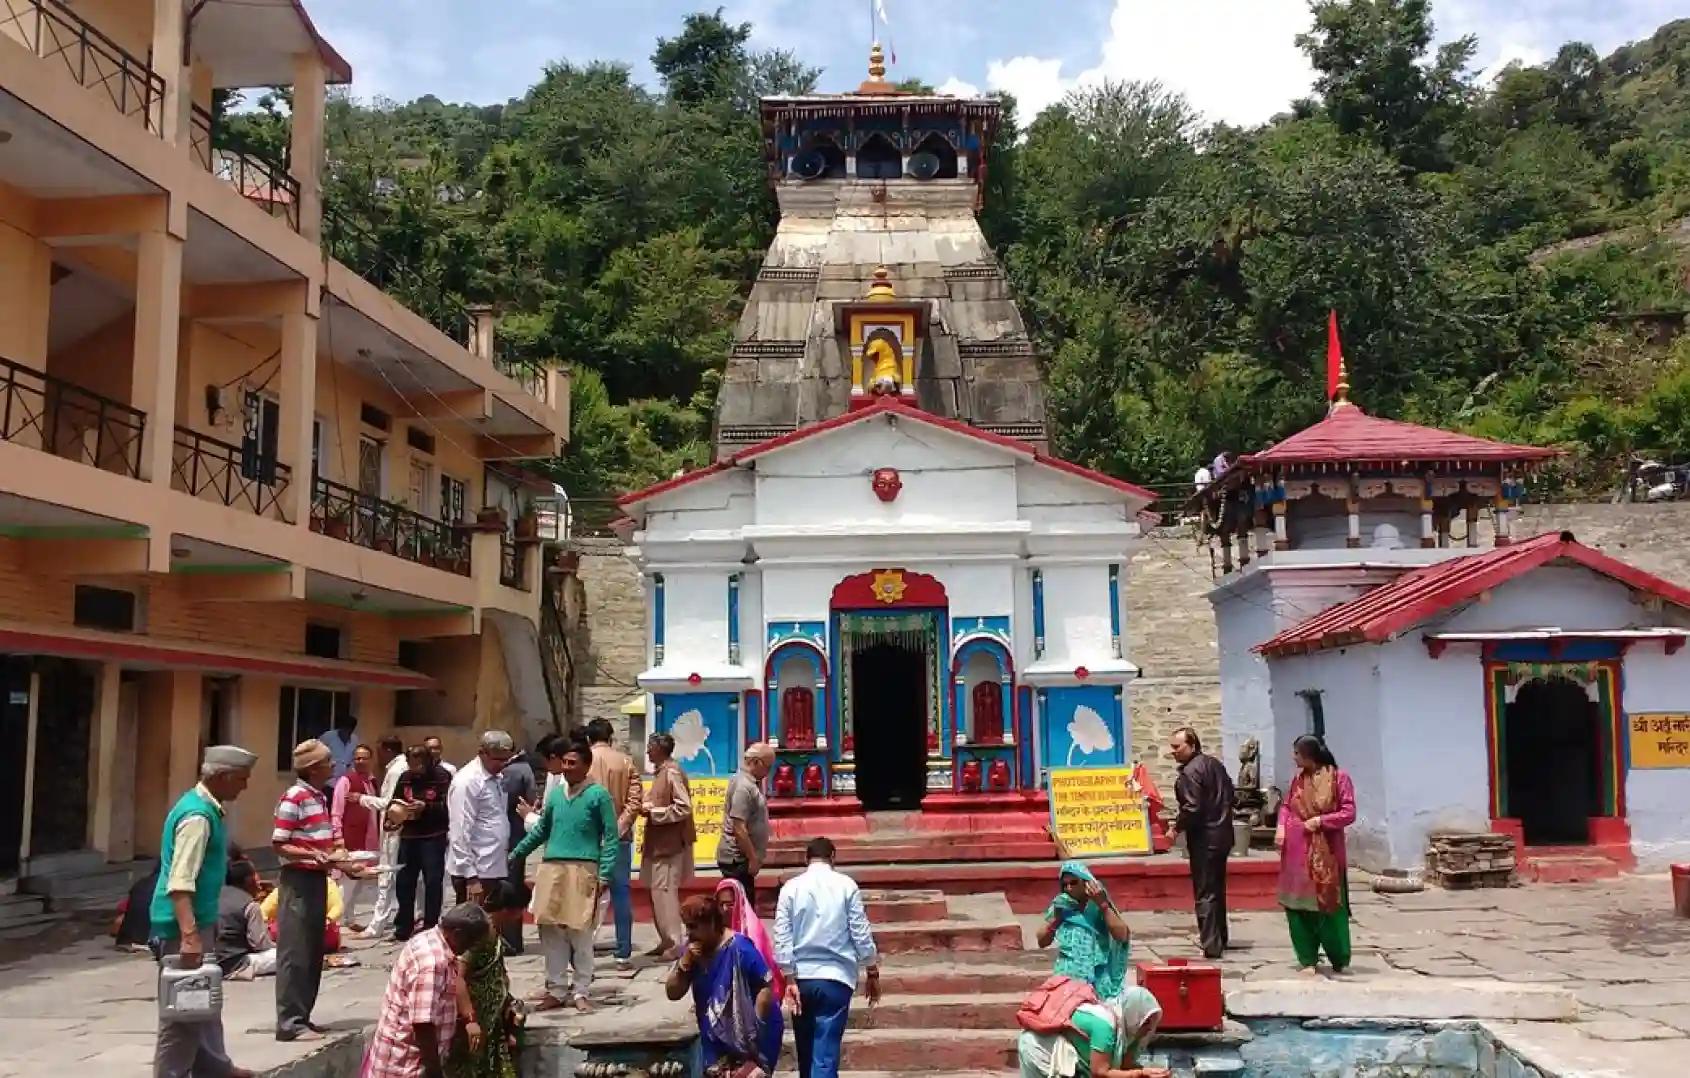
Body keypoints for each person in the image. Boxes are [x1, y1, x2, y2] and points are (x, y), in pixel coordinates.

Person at [151, 744, 259, 1078]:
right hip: (183, 925)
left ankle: (215, 1067)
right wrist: (189, 935)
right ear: (223, 777)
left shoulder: (204, 808)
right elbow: (180, 882)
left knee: (204, 1001)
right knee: (183, 1012)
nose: (244, 786)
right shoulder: (197, 817)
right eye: (241, 779)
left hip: (200, 920)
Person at [511, 732, 617, 1012]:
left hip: (583, 868)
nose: (566, 767)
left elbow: (611, 836)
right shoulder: (557, 794)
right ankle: (556, 989)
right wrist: (518, 851)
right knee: (549, 929)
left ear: (585, 765)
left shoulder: (599, 796)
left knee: (580, 931)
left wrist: (605, 873)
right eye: (565, 762)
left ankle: (581, 990)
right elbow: (542, 830)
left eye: (572, 763)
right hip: (552, 867)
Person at [273, 738, 366, 1041]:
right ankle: (290, 1022)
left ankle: (304, 1015)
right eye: (328, 762)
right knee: (296, 952)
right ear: (313, 768)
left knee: (313, 951)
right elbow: (280, 843)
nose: (334, 766)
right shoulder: (295, 797)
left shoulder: (318, 797)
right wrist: (313, 856)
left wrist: (344, 862)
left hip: (317, 878)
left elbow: (321, 841)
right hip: (299, 880)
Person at [773, 837, 880, 1078]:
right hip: (836, 978)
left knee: (806, 1051)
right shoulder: (846, 885)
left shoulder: (790, 887)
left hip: (801, 978)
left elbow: (781, 934)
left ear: (806, 858)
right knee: (825, 1053)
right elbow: (860, 932)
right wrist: (871, 969)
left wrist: (788, 977)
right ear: (833, 857)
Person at [364, 903, 491, 1078]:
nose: (470, 949)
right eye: (471, 942)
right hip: (407, 1066)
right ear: (458, 935)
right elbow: (422, 1024)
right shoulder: (432, 964)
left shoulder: (431, 938)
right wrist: (434, 1072)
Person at [665, 895, 783, 1077]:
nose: (689, 933)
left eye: (694, 927)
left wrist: (753, 1037)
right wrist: (683, 965)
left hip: (749, 1044)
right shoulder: (692, 952)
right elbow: (673, 993)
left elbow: (765, 987)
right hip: (714, 1043)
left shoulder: (740, 948)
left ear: (712, 923)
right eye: (687, 927)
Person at [1276, 734, 1357, 975]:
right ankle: (1307, 958)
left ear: (1310, 756)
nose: (1294, 757)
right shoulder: (1298, 780)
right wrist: (1281, 826)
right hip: (1295, 853)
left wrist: (1321, 821)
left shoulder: (1339, 778)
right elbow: (1286, 806)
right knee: (1297, 907)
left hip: (1326, 855)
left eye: (1297, 753)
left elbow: (1348, 812)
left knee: (1328, 906)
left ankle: (1338, 956)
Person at [446, 880, 527, 1078]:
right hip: (478, 1012)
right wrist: (470, 1019)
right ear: (511, 910)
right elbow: (459, 975)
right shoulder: (482, 934)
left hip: (493, 1012)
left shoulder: (492, 929)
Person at [1168, 727, 1235, 960]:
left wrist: (1176, 827)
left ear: (1193, 745)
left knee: (1205, 891)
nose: (1173, 752)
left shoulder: (1190, 772)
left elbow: (1192, 807)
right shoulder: (1214, 765)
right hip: (1223, 834)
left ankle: (1211, 944)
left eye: (1178, 747)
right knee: (1217, 889)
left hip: (1205, 838)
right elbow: (1231, 793)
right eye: (1172, 748)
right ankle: (1220, 937)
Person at [584, 718, 643, 970]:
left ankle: (582, 951)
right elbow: (635, 801)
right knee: (621, 894)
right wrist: (618, 828)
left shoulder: (582, 763)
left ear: (588, 739)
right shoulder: (626, 762)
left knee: (587, 895)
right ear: (611, 737)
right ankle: (623, 952)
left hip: (587, 838)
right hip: (619, 838)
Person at [1016, 985, 1168, 1078]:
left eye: (1153, 1022)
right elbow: (1100, 1072)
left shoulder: (1125, 1031)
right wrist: (1140, 1074)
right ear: (1134, 1013)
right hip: (1041, 1049)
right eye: (1146, 1021)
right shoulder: (1106, 1027)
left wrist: (1150, 1072)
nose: (1149, 1028)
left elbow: (1125, 1065)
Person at [1037, 862, 1131, 1000]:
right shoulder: (1061, 905)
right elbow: (1042, 941)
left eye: (1074, 883)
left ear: (1086, 883)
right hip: (1068, 971)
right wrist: (1056, 920)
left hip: (1097, 972)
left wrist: (1103, 906)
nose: (1068, 888)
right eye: (1064, 885)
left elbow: (1122, 935)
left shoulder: (1098, 904)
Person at [641, 732, 694, 960]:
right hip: (658, 842)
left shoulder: (671, 772)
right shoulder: (661, 772)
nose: (647, 752)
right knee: (656, 892)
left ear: (659, 749)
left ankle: (675, 942)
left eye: (650, 747)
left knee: (665, 893)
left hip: (670, 843)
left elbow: (684, 807)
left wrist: (654, 812)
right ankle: (665, 939)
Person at [448, 730, 516, 905]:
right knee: (471, 927)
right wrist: (471, 876)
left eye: (506, 760)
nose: (502, 764)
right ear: (482, 753)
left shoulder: (497, 778)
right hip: (476, 872)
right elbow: (460, 831)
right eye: (497, 760)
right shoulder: (467, 781)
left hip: (493, 867)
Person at [395, 744, 454, 941]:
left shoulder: (442, 777)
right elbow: (394, 801)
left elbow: (449, 806)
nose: (415, 768)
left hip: (432, 836)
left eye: (419, 764)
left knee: (432, 881)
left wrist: (426, 807)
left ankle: (431, 923)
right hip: (409, 836)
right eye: (412, 763)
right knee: (404, 881)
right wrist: (397, 812)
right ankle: (403, 925)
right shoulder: (405, 778)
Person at [362, 734, 410, 939]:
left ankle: (377, 924)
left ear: (388, 750)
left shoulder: (396, 770)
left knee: (386, 875)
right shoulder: (400, 767)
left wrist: (362, 799)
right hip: (398, 830)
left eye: (379, 751)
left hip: (393, 830)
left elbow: (389, 804)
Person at [717, 743, 774, 904]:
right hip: (738, 859)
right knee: (743, 909)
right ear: (755, 762)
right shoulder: (743, 786)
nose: (768, 772)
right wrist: (753, 858)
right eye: (767, 767)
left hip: (742, 858)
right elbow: (739, 827)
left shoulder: (749, 783)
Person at [333, 744, 381, 931]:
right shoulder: (346, 781)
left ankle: (349, 918)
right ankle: (335, 921)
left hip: (369, 838)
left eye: (364, 758)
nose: (360, 761)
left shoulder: (373, 782)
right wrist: (338, 838)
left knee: (360, 881)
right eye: (357, 758)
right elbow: (336, 812)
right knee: (347, 882)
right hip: (351, 837)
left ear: (371, 760)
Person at [715, 878, 784, 1002]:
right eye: (721, 904)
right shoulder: (714, 930)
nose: (725, 909)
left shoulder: (752, 932)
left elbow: (763, 976)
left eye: (730, 904)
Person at [217, 860, 278, 980]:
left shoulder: (215, 896)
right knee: (286, 955)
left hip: (212, 963)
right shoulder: (249, 905)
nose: (259, 882)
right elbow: (260, 944)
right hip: (237, 964)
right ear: (249, 880)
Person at [260, 873, 346, 955]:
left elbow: (337, 906)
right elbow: (264, 910)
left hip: (321, 932)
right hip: (293, 932)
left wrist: (327, 920)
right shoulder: (285, 887)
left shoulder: (327, 883)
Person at [322, 712, 360, 784]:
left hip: (344, 781)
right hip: (328, 781)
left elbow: (354, 759)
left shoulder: (355, 740)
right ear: (340, 728)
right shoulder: (328, 737)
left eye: (349, 731)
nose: (346, 733)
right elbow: (319, 755)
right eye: (344, 730)